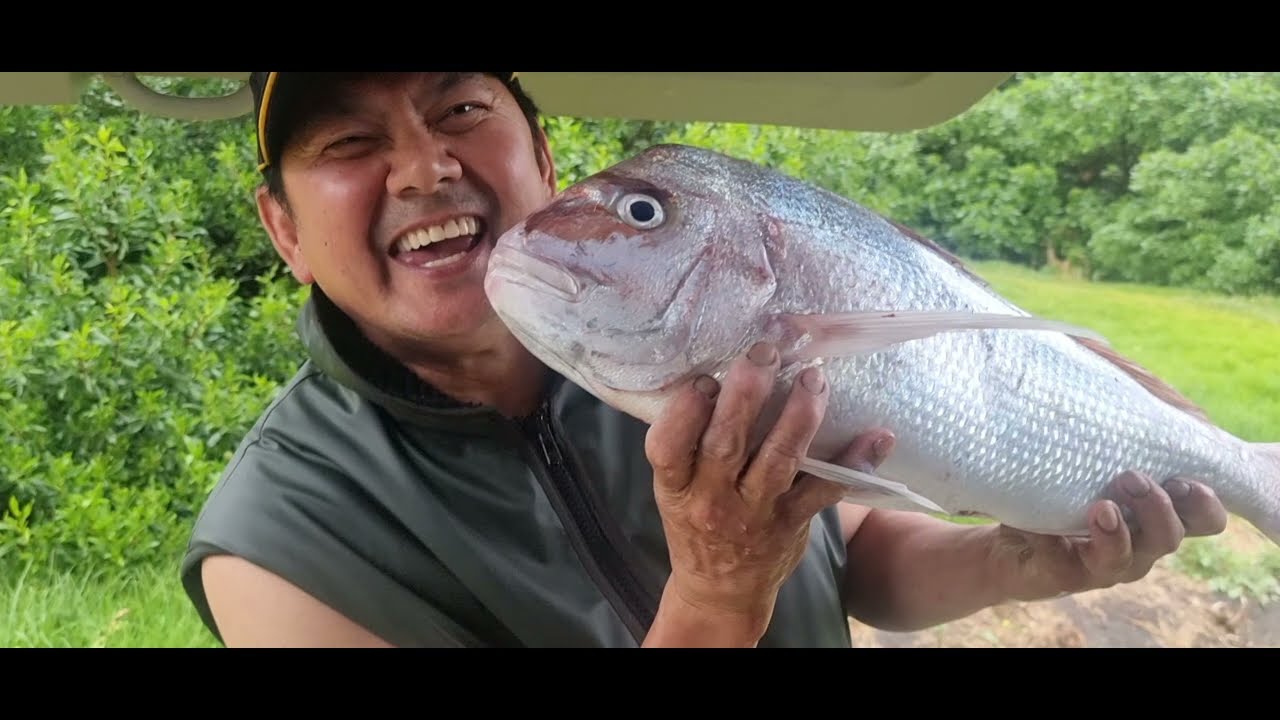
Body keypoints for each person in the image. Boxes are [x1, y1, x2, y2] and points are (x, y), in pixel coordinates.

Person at [180, 71, 1229, 648]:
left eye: (458, 108)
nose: (425, 167)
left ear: (542, 161)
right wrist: (719, 596)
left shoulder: (671, 347)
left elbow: (857, 557)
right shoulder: (276, 548)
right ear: (281, 230)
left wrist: (1027, 559)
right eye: (348, 144)